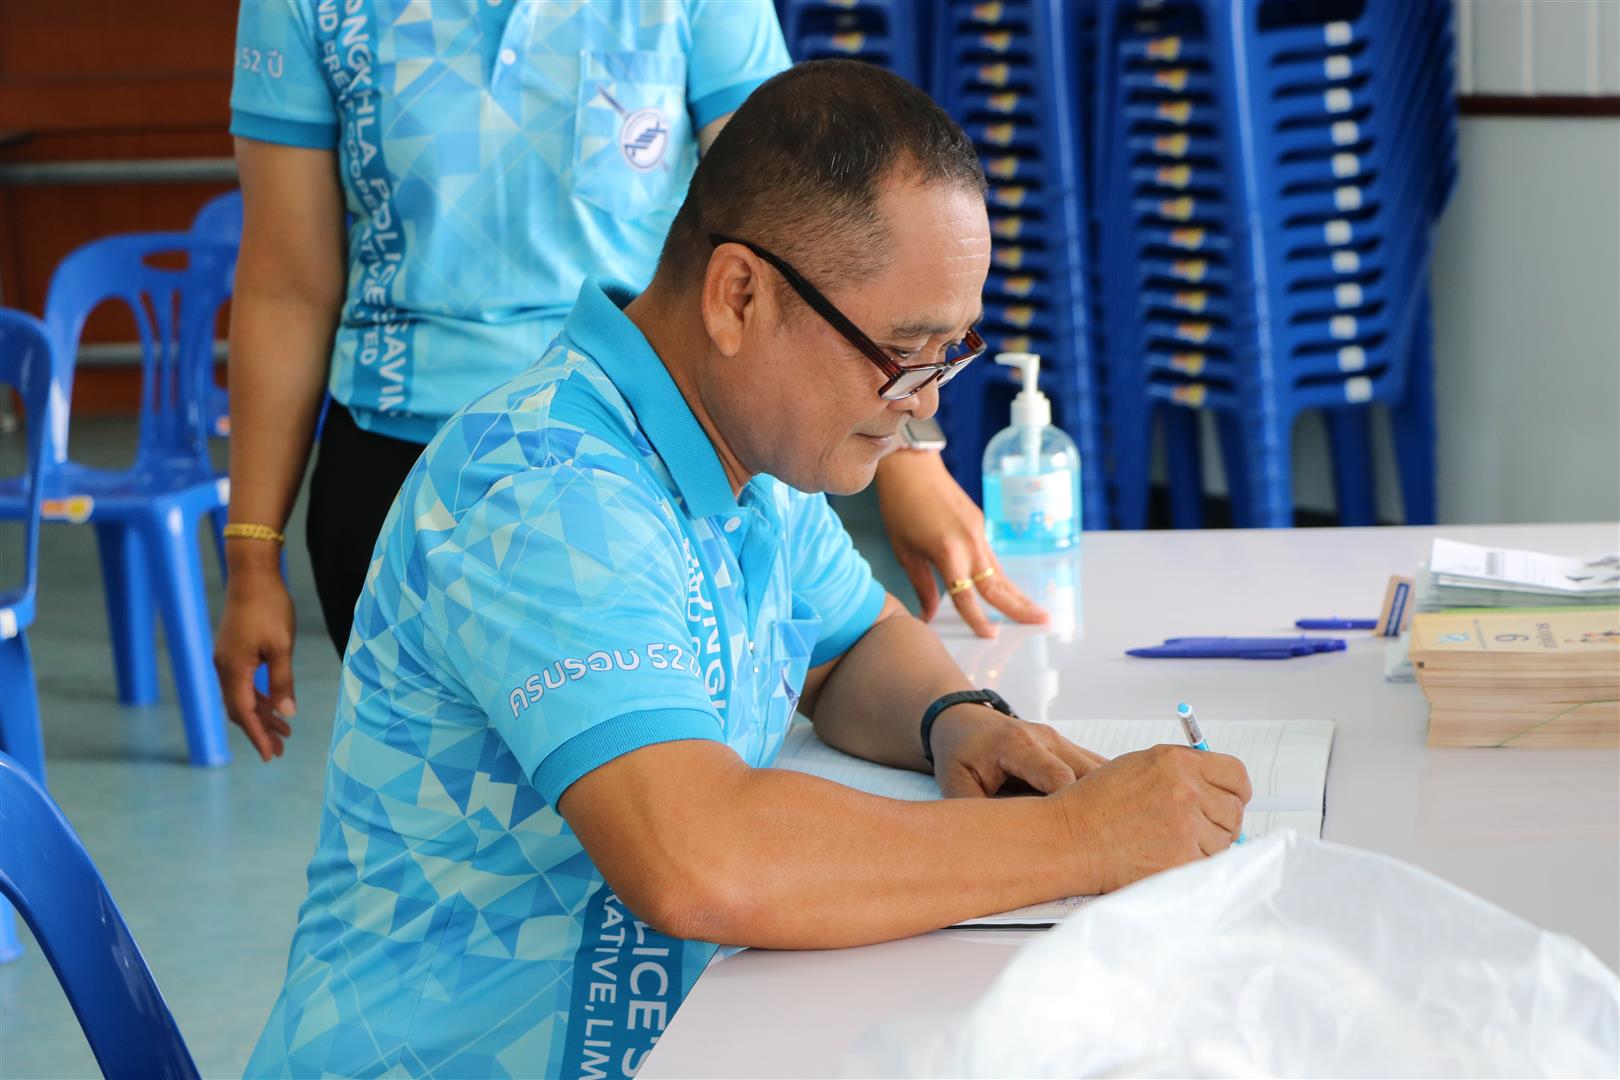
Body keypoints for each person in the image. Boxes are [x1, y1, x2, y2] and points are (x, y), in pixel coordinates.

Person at [245, 61, 1250, 1079]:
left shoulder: (749, 455)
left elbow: (851, 645)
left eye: (950, 354)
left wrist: (961, 722)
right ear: (739, 297)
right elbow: (697, 858)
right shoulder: (547, 490)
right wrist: (1080, 839)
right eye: (903, 354)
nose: (924, 404)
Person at [217, 0, 1047, 765]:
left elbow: (806, 220)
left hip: (657, 437)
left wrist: (899, 440)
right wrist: (252, 554)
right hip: (410, 455)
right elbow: (287, 286)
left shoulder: (754, 468)